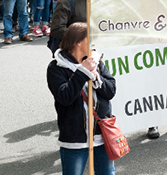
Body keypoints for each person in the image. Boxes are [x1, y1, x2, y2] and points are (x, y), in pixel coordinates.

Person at [47, 23, 116, 175]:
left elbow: (111, 91)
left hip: (102, 133)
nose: (94, 44)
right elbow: (65, 97)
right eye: (90, 40)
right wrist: (82, 72)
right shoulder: (56, 68)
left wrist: (97, 78)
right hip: (74, 138)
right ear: (78, 42)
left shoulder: (96, 62)